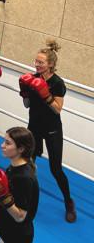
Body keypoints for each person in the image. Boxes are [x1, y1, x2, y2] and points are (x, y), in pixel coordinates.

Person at [19, 40, 76, 222]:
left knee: (55, 169)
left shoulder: (58, 83)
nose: (37, 64)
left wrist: (45, 94)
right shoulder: (32, 78)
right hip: (34, 126)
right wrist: (25, 92)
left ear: (50, 64)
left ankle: (68, 202)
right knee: (28, 164)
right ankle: (25, 200)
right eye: (36, 61)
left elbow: (57, 109)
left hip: (52, 129)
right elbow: (27, 105)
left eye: (41, 62)